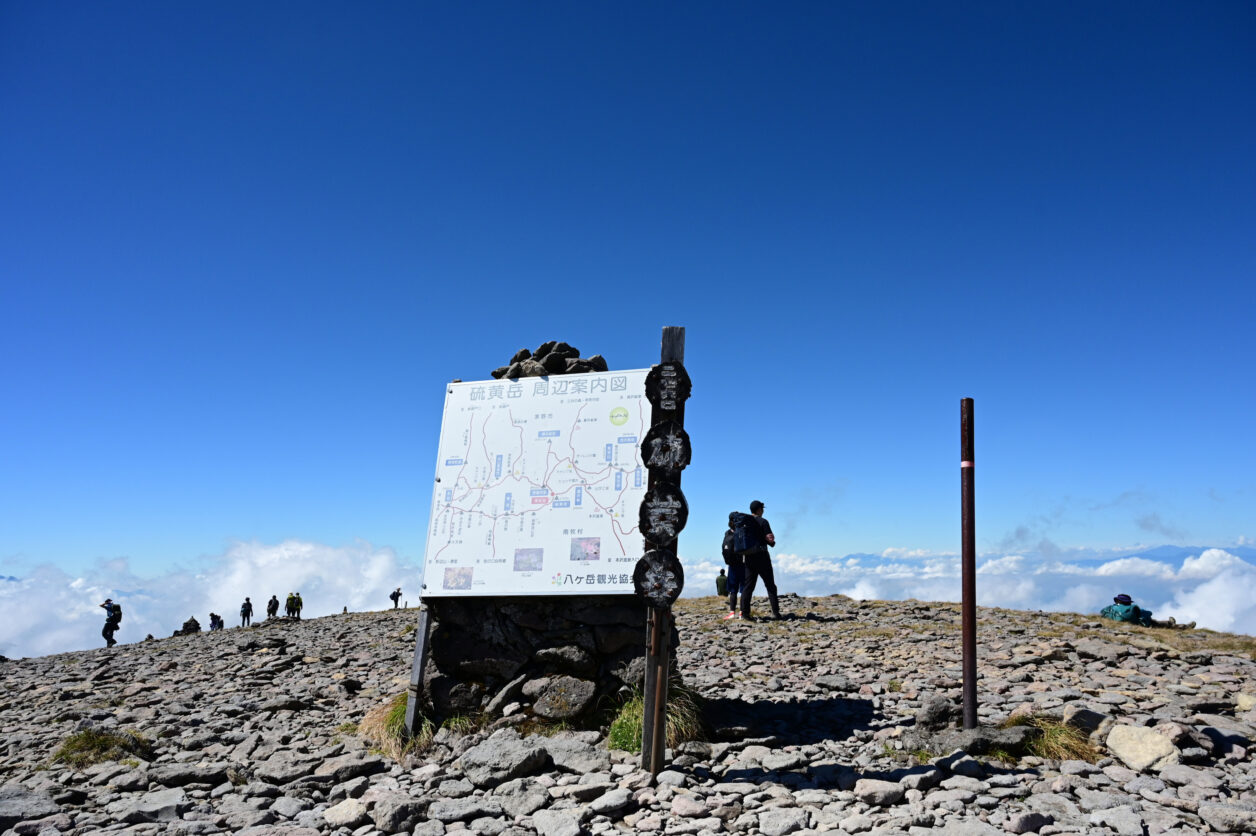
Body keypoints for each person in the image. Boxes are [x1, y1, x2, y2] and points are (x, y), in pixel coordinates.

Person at [740, 500, 780, 621]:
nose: (763, 510)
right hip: (762, 557)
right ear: (759, 510)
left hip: (748, 557)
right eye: (762, 508)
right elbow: (770, 539)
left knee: (748, 586)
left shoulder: (744, 523)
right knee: (770, 585)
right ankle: (775, 613)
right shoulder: (763, 522)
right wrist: (772, 542)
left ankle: (745, 613)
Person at [1100, 593, 1194, 629]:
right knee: (1155, 622)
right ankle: (1180, 626)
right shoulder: (1132, 608)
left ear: (1117, 601)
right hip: (1140, 624)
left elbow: (1102, 613)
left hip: (1123, 624)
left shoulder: (1110, 608)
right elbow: (1148, 613)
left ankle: (1171, 624)